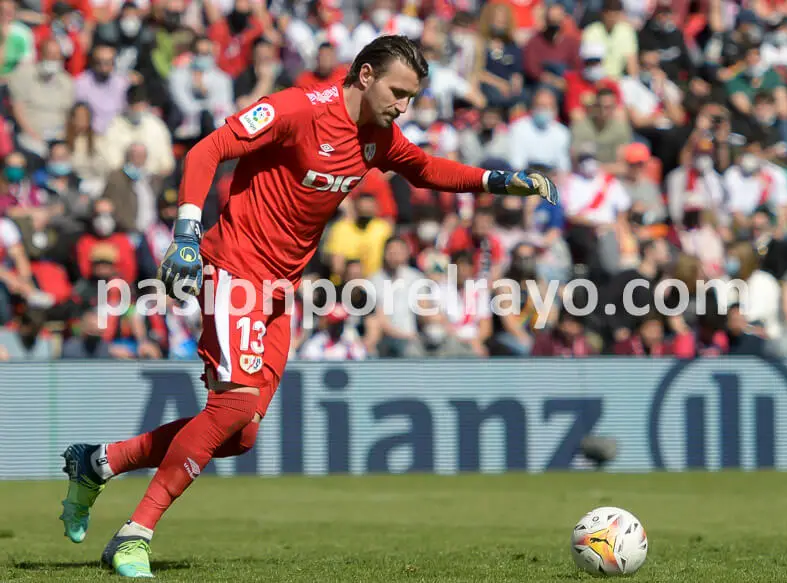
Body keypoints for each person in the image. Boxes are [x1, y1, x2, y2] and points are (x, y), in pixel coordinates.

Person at [58, 35, 558, 578]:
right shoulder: (297, 108)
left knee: (240, 433)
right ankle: (135, 534)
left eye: (412, 97)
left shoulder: (377, 136)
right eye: (398, 92)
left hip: (280, 290)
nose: (404, 106)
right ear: (364, 75)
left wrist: (499, 181)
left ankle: (98, 461)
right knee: (232, 407)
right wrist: (185, 230)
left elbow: (426, 168)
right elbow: (208, 150)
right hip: (233, 271)